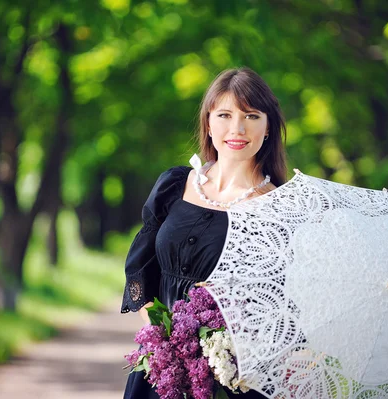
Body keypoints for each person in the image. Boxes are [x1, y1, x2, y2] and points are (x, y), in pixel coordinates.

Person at [121, 67, 288, 399]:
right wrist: (166, 342)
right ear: (209, 123)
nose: (237, 128)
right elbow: (141, 270)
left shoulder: (281, 208)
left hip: (232, 379)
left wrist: (216, 351)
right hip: (163, 370)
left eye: (251, 116)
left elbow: (280, 308)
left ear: (267, 127)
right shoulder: (174, 185)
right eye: (224, 114)